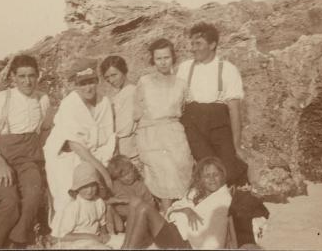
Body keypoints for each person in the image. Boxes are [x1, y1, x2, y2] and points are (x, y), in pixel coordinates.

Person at [0, 54, 51, 249]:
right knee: (10, 203)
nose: (27, 81)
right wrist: (1, 165)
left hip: (28, 161)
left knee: (33, 195)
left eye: (32, 75)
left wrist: (43, 160)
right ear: (13, 77)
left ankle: (16, 242)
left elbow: (45, 130)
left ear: (38, 76)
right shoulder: (0, 100)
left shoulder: (43, 99)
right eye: (22, 76)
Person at [44, 57, 116, 238]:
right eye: (83, 84)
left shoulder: (103, 102)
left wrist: (105, 163)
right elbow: (75, 144)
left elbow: (108, 136)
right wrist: (103, 171)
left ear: (97, 81)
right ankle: (64, 235)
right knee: (70, 195)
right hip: (66, 156)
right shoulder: (70, 104)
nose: (88, 88)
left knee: (94, 194)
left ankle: (95, 227)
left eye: (91, 82)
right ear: (76, 85)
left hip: (94, 153)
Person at [177, 22, 248, 186]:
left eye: (198, 43)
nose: (193, 48)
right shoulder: (185, 68)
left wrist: (236, 146)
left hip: (219, 122)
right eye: (192, 43)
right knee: (208, 167)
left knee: (228, 169)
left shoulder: (228, 69)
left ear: (212, 44)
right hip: (193, 122)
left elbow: (234, 110)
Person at [134, 38, 194, 213]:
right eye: (158, 58)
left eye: (166, 57)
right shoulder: (144, 82)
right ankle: (167, 220)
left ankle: (182, 220)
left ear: (173, 58)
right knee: (162, 177)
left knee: (181, 171)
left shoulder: (181, 84)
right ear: (153, 60)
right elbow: (137, 112)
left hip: (175, 134)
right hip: (152, 135)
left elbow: (184, 109)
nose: (163, 62)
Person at [121, 157, 233, 249]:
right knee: (135, 201)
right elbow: (171, 209)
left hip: (184, 242)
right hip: (173, 230)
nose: (212, 179)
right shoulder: (194, 192)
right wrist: (185, 211)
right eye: (207, 176)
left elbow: (209, 232)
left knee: (144, 208)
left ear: (222, 176)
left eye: (215, 174)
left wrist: (180, 214)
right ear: (201, 179)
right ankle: (125, 247)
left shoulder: (222, 198)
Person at [53, 161, 111, 249]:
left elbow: (102, 222)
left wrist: (104, 233)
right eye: (85, 186)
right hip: (76, 242)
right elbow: (63, 235)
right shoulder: (73, 207)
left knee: (121, 241)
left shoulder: (99, 201)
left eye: (93, 186)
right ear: (77, 188)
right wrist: (90, 237)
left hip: (96, 238)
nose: (90, 190)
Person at [100, 56, 137, 162]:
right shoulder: (119, 93)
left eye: (114, 75)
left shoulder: (131, 92)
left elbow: (124, 128)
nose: (111, 80)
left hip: (131, 150)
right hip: (123, 149)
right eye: (107, 77)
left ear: (124, 71)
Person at [105, 155, 155, 234]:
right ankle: (113, 233)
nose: (127, 178)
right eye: (122, 177)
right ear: (117, 178)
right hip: (119, 217)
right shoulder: (115, 186)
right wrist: (118, 200)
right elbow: (105, 201)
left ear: (133, 169)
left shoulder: (140, 186)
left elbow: (151, 204)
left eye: (128, 173)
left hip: (136, 216)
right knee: (109, 209)